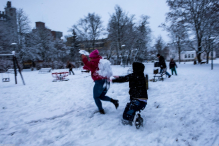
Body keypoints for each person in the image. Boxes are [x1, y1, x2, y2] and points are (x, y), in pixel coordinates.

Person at [81, 49, 119, 114]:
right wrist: (86, 66)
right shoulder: (101, 61)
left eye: (90, 58)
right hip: (107, 82)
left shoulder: (95, 62)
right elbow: (88, 66)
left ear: (93, 57)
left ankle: (101, 110)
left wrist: (84, 59)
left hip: (99, 83)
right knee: (101, 96)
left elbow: (89, 64)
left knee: (96, 97)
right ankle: (114, 101)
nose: (89, 59)